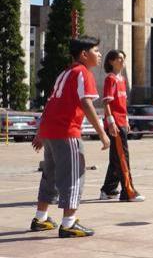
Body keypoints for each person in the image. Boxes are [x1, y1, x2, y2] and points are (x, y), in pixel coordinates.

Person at [30, 36, 110, 238]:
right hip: (67, 132)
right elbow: (86, 103)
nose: (99, 54)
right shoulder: (83, 73)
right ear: (84, 54)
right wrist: (102, 133)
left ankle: (40, 218)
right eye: (96, 51)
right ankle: (69, 223)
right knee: (74, 175)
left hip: (50, 132)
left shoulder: (64, 73)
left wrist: (41, 133)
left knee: (50, 175)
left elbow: (50, 103)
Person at [100, 50, 145, 202]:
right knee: (122, 157)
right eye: (119, 58)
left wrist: (126, 121)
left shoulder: (122, 79)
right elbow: (106, 103)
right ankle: (128, 192)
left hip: (122, 122)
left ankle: (108, 190)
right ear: (111, 61)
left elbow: (122, 104)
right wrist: (111, 122)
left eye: (123, 58)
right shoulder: (110, 79)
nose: (122, 60)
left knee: (116, 158)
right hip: (115, 124)